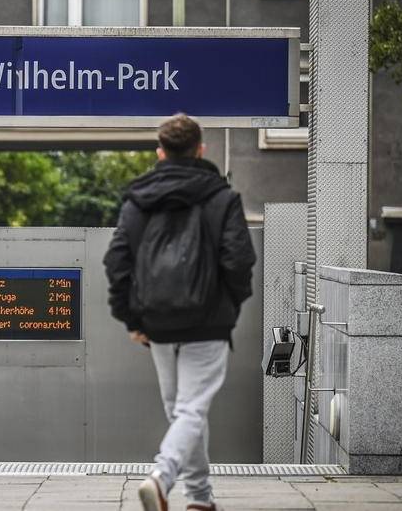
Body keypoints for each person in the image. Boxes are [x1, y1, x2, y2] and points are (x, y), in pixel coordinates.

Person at [103, 113, 256, 511]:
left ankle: (200, 499)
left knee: (183, 411)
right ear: (200, 149)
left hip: (157, 323)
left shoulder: (138, 202)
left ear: (160, 152)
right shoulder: (222, 198)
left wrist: (132, 318)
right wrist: (228, 306)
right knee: (190, 410)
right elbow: (239, 261)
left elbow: (117, 262)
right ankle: (162, 476)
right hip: (208, 322)